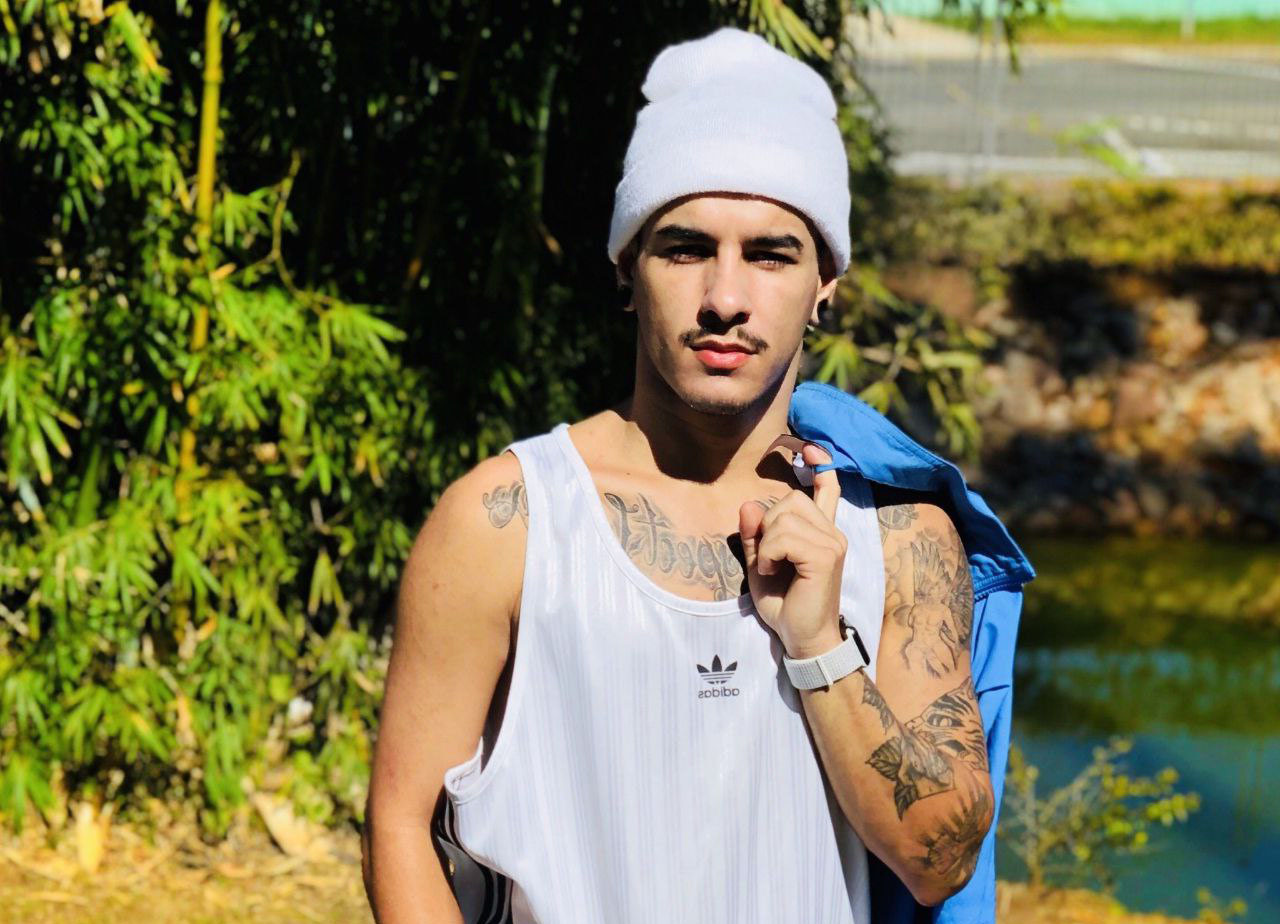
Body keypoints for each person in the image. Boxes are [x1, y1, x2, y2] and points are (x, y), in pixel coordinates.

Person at [362, 27, 992, 924]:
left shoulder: (899, 541)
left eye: (771, 255)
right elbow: (402, 828)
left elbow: (943, 860)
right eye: (686, 249)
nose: (726, 299)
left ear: (826, 284)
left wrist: (819, 644)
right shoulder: (508, 521)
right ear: (628, 270)